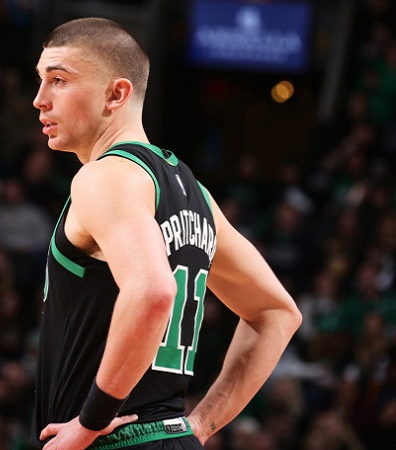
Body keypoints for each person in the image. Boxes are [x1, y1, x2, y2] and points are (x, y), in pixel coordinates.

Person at [31, 17, 302, 449]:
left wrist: (88, 423)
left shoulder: (104, 177)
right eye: (41, 80)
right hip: (171, 438)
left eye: (59, 80)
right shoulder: (194, 192)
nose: (39, 99)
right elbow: (276, 313)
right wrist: (201, 425)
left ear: (117, 93)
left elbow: (154, 292)